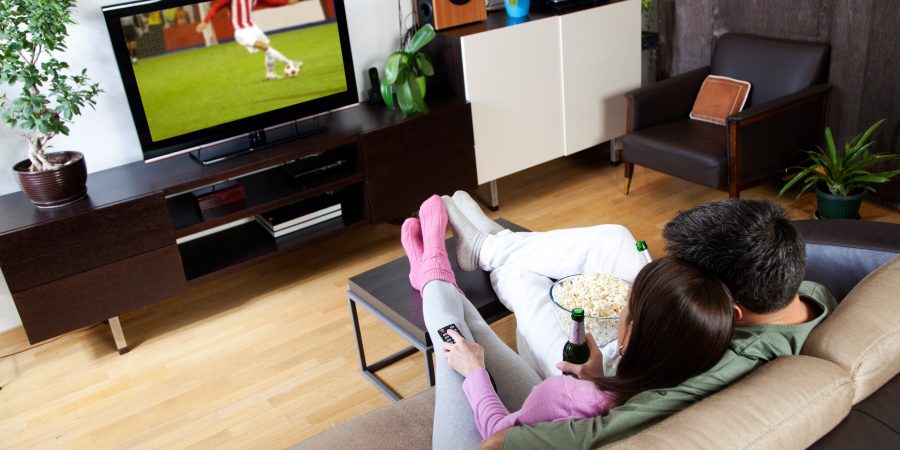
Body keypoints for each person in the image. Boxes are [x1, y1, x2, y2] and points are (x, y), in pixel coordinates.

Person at [437, 193, 838, 449]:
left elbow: (594, 429)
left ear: (731, 310)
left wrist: (599, 376)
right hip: (651, 338)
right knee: (614, 238)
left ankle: (499, 254)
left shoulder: (726, 367)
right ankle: (494, 245)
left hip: (619, 362)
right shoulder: (812, 296)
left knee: (528, 288)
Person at [405, 196, 735, 449]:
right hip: (583, 399)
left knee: (460, 340)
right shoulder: (693, 372)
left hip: (484, 441)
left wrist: (475, 373)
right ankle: (472, 252)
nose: (623, 307)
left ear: (632, 333)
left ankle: (433, 270)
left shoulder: (570, 396)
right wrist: (599, 376)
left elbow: (497, 438)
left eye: (628, 305)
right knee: (480, 331)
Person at [195, 0, 302, 80]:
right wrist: (205, 21)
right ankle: (290, 62)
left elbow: (270, 2)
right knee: (265, 47)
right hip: (241, 31)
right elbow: (216, 7)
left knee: (268, 47)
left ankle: (270, 74)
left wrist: (286, 2)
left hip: (252, 27)